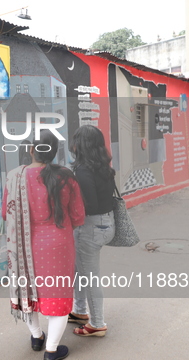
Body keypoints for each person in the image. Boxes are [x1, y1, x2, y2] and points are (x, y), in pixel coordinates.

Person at [2, 130, 85, 360]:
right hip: (59, 246)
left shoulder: (13, 177)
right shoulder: (66, 176)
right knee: (57, 296)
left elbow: (5, 213)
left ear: (30, 150)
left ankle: (37, 337)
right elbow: (78, 216)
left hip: (23, 247)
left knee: (28, 291)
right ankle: (51, 350)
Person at [68, 125, 116, 337]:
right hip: (106, 224)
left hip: (91, 227)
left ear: (80, 145)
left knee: (89, 276)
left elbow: (90, 206)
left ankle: (97, 324)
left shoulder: (83, 170)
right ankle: (79, 311)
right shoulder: (103, 165)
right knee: (81, 271)